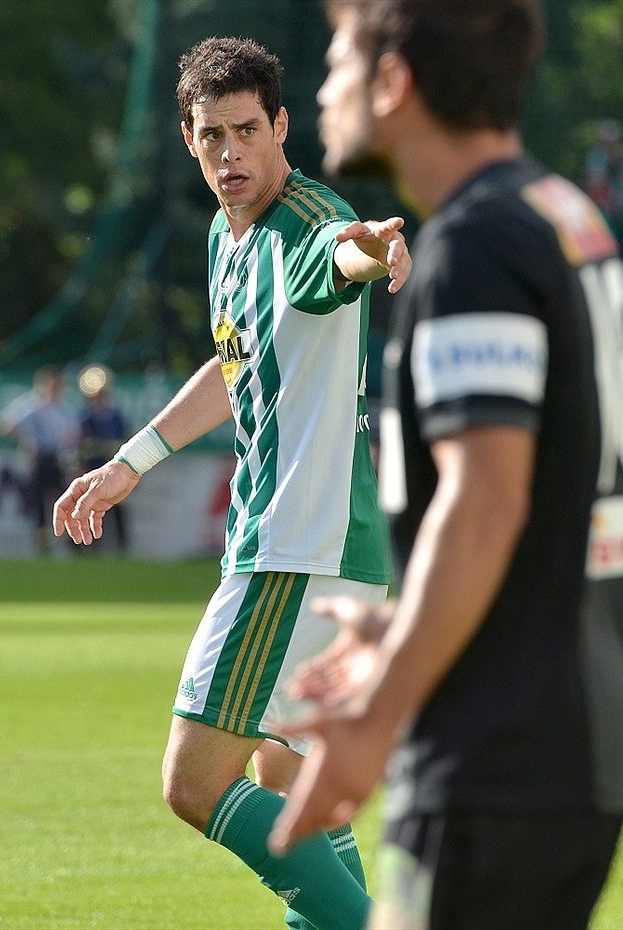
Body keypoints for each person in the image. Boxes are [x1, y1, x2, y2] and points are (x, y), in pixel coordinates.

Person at [269, 3, 623, 930]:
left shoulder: (475, 244)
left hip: (496, 754)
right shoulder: (557, 212)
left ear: (395, 82)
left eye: (338, 60)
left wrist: (377, 713)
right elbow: (546, 496)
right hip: (570, 734)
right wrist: (400, 624)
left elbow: (485, 504)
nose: (323, 89)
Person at [53, 35, 411, 930]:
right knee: (288, 787)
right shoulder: (228, 232)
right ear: (188, 138)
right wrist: (127, 463)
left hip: (292, 548)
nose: (230, 153)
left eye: (248, 131)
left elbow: (335, 259)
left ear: (282, 125)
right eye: (211, 135)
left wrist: (367, 249)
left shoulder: (300, 222)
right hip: (330, 547)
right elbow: (233, 365)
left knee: (193, 783)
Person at [0, 365, 78, 553]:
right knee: (40, 503)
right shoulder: (31, 406)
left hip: (58, 459)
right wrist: (26, 440)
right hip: (40, 460)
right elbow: (6, 424)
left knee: (64, 498)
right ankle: (43, 547)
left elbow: (72, 433)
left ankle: (70, 543)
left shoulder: (61, 408)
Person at [77, 364, 129, 552]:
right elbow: (83, 444)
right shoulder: (86, 417)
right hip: (94, 467)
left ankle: (122, 548)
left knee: (118, 509)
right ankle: (93, 547)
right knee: (94, 509)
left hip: (115, 469)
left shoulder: (115, 415)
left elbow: (126, 437)